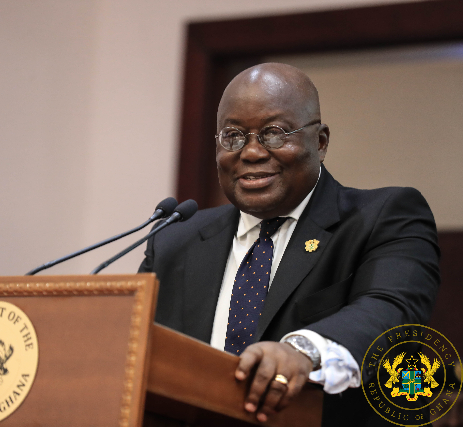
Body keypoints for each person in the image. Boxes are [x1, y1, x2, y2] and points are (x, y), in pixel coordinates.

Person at [139, 63, 440, 426]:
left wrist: (303, 351)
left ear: (320, 142)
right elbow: (131, 344)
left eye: (274, 134)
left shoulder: (384, 217)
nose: (251, 152)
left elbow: (390, 310)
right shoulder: (174, 239)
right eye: (233, 136)